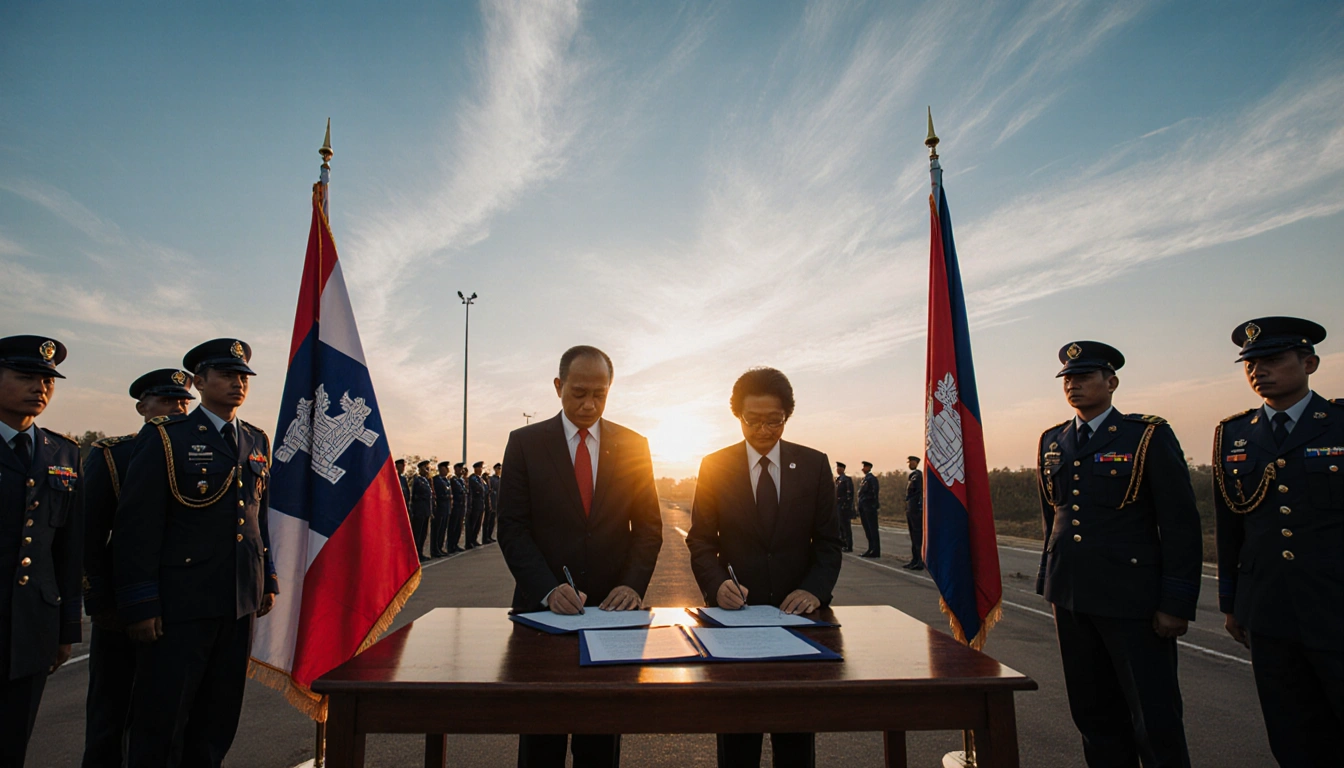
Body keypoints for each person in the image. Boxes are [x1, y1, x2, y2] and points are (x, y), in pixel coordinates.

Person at [1035, 340, 1201, 768]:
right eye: (1067, 378)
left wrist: (1176, 602)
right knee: (1093, 715)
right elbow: (1052, 517)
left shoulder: (1145, 436)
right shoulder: (1053, 440)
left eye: (1084, 376)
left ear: (1111, 382)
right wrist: (1050, 581)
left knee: (1154, 717)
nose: (1073, 385)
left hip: (1132, 598)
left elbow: (1180, 524)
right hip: (1071, 596)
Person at [114, 338, 278, 768]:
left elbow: (257, 518)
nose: (238, 383)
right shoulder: (168, 437)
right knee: (163, 719)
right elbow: (138, 526)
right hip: (182, 602)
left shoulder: (256, 439)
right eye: (226, 375)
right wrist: (141, 602)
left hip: (239, 599)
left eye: (243, 376)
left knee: (218, 717)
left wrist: (267, 578)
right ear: (199, 382)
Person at [497, 345, 663, 768]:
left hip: (612, 612)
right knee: (541, 745)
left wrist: (631, 585)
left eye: (599, 394)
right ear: (558, 386)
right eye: (579, 393)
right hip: (542, 616)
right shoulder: (525, 443)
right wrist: (548, 589)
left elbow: (648, 528)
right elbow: (512, 528)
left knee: (600, 744)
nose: (589, 404)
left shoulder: (633, 445)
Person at [686, 367, 842, 768]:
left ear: (787, 416)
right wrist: (716, 584)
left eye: (775, 420)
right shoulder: (715, 465)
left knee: (795, 742)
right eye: (753, 420)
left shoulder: (813, 464)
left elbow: (829, 543)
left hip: (799, 620)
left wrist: (813, 590)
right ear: (737, 415)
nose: (763, 430)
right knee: (738, 741)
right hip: (734, 621)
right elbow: (701, 540)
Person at [1213, 317, 1342, 765]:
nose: (1258, 371)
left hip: (1335, 606)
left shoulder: (1338, 423)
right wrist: (1231, 602)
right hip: (1268, 610)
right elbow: (1231, 527)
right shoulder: (1234, 434)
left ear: (1309, 363)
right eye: (1250, 364)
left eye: (1271, 360)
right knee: (1291, 735)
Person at [81, 368, 194, 768]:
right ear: (142, 408)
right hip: (124, 606)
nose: (177, 409)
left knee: (173, 715)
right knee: (112, 713)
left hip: (182, 605)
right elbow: (90, 535)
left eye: (183, 402)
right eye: (165, 401)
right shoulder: (114, 455)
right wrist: (101, 603)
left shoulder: (201, 453)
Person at [0, 336, 82, 767]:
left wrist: (66, 629)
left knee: (13, 744)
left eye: (48, 381)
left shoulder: (62, 452)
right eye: (25, 377)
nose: (40, 388)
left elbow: (68, 550)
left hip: (33, 626)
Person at [903, 456, 925, 571]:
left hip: (916, 509)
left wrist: (919, 507)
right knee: (913, 535)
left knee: (917, 535)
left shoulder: (919, 476)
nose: (910, 464)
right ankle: (915, 559)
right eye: (909, 462)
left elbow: (920, 493)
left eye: (912, 462)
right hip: (911, 508)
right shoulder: (912, 476)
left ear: (916, 463)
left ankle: (920, 560)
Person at [409, 460, 433, 562]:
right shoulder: (417, 480)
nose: (427, 469)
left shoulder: (427, 481)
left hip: (426, 510)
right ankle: (415, 554)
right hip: (419, 511)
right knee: (417, 534)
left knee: (423, 533)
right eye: (425, 467)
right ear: (420, 469)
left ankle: (420, 552)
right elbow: (413, 496)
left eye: (428, 467)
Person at [857, 461, 881, 557]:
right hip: (864, 507)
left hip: (870, 507)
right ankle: (871, 548)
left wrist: (873, 505)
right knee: (867, 529)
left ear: (869, 468)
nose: (863, 469)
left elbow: (875, 493)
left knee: (872, 529)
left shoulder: (872, 479)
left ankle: (875, 550)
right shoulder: (864, 479)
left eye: (865, 467)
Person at [430, 461, 454, 558]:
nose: (447, 470)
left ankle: (440, 548)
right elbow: (438, 494)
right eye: (445, 468)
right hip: (439, 508)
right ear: (440, 469)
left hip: (446, 508)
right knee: (437, 530)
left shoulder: (446, 480)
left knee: (443, 529)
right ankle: (435, 549)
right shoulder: (437, 480)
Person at [834, 461, 855, 552]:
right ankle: (842, 543)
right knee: (840, 526)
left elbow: (849, 494)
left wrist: (846, 505)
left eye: (839, 468)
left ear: (843, 469)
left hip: (843, 506)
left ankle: (848, 545)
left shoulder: (846, 480)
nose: (837, 470)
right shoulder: (838, 479)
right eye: (837, 468)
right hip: (838, 505)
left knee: (846, 527)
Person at [467, 461, 489, 548]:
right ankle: (469, 541)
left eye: (481, 468)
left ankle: (474, 539)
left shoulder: (481, 479)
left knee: (478, 524)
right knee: (473, 523)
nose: (480, 470)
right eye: (479, 468)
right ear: (475, 468)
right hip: (475, 504)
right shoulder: (473, 478)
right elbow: (478, 489)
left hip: (481, 503)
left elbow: (486, 490)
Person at [449, 462, 468, 552]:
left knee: (459, 527)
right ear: (455, 469)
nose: (461, 470)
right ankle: (451, 545)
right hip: (456, 506)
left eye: (462, 468)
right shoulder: (453, 480)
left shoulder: (462, 480)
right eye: (459, 468)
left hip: (461, 506)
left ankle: (455, 544)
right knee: (453, 526)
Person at [484, 462, 502, 544]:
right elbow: (490, 491)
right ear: (495, 469)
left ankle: (490, 536)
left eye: (500, 469)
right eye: (498, 468)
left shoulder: (500, 479)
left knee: (493, 522)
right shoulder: (492, 479)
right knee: (489, 520)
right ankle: (487, 536)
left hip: (498, 502)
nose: (499, 470)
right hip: (493, 501)